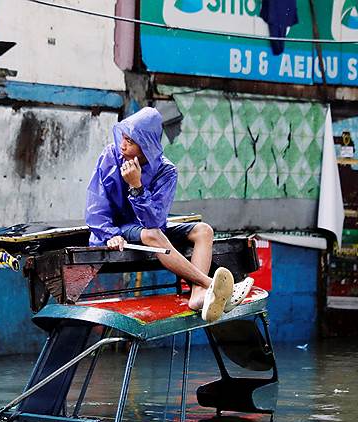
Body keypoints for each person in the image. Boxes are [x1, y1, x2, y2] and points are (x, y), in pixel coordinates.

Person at [85, 107, 253, 322]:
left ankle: (198, 295)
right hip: (120, 228)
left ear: (145, 146)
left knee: (203, 231)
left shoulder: (166, 171)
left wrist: (136, 186)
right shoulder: (110, 157)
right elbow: (96, 203)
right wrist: (109, 234)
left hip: (151, 227)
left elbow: (155, 220)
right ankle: (209, 284)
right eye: (123, 138)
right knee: (152, 236)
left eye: (130, 141)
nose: (123, 145)